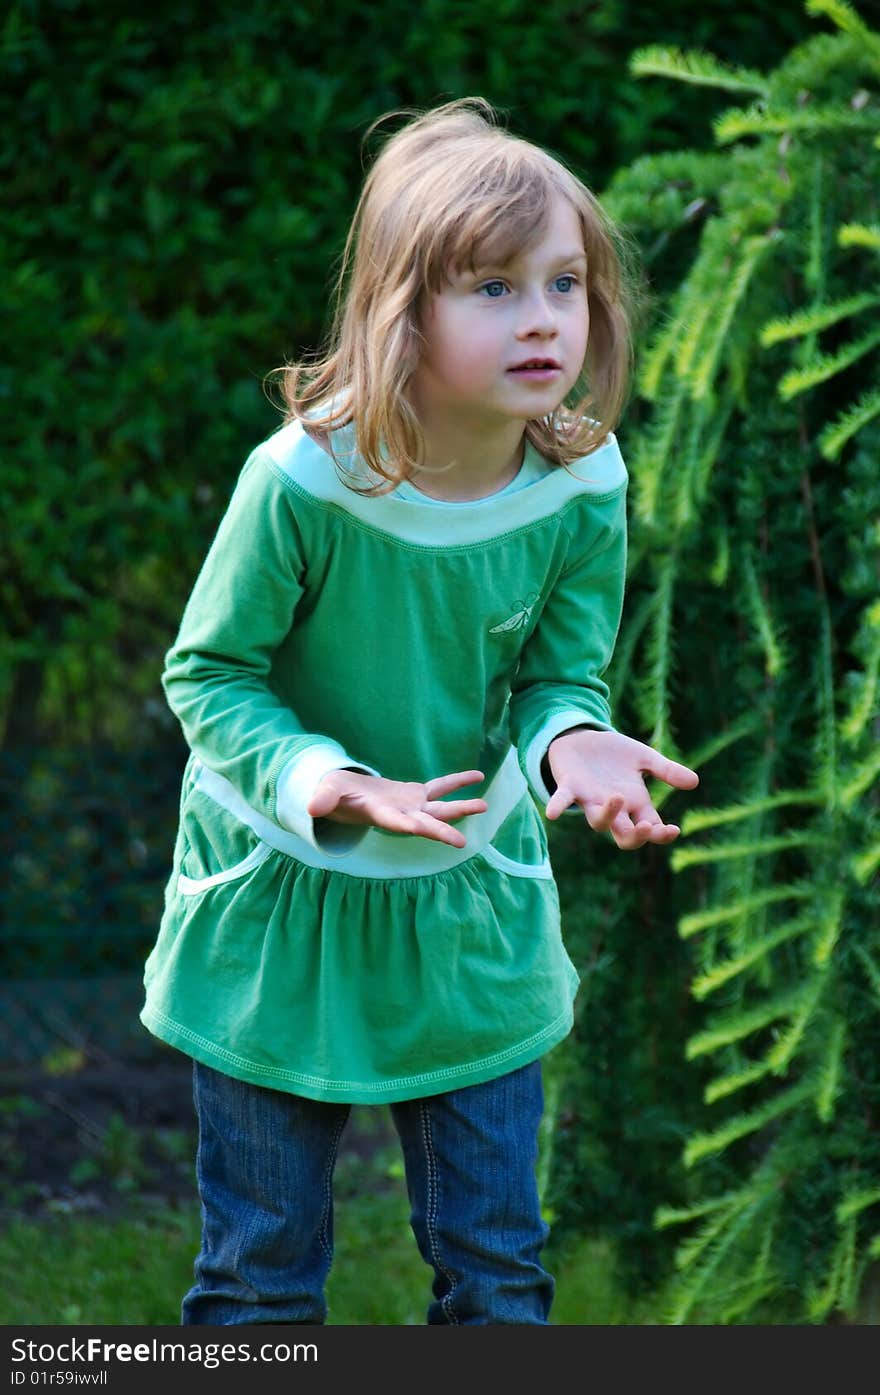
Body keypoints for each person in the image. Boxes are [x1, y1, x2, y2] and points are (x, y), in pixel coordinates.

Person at [140, 95, 699, 1327]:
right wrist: (320, 780)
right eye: (492, 288)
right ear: (403, 309)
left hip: (466, 917)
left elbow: (560, 677)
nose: (543, 315)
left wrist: (576, 738)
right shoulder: (301, 481)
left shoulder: (581, 478)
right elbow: (210, 674)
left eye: (564, 282)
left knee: (500, 1274)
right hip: (282, 911)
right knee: (259, 1281)